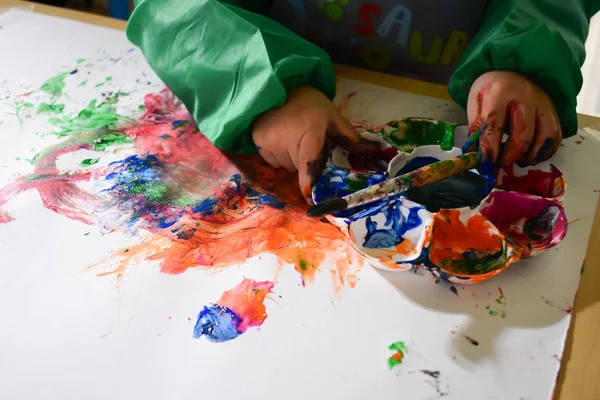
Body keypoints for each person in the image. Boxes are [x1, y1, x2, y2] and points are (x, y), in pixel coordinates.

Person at [127, 0, 599, 203]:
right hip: (286, 101)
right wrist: (259, 84)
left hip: (453, 104)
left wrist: (522, 57)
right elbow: (177, 12)